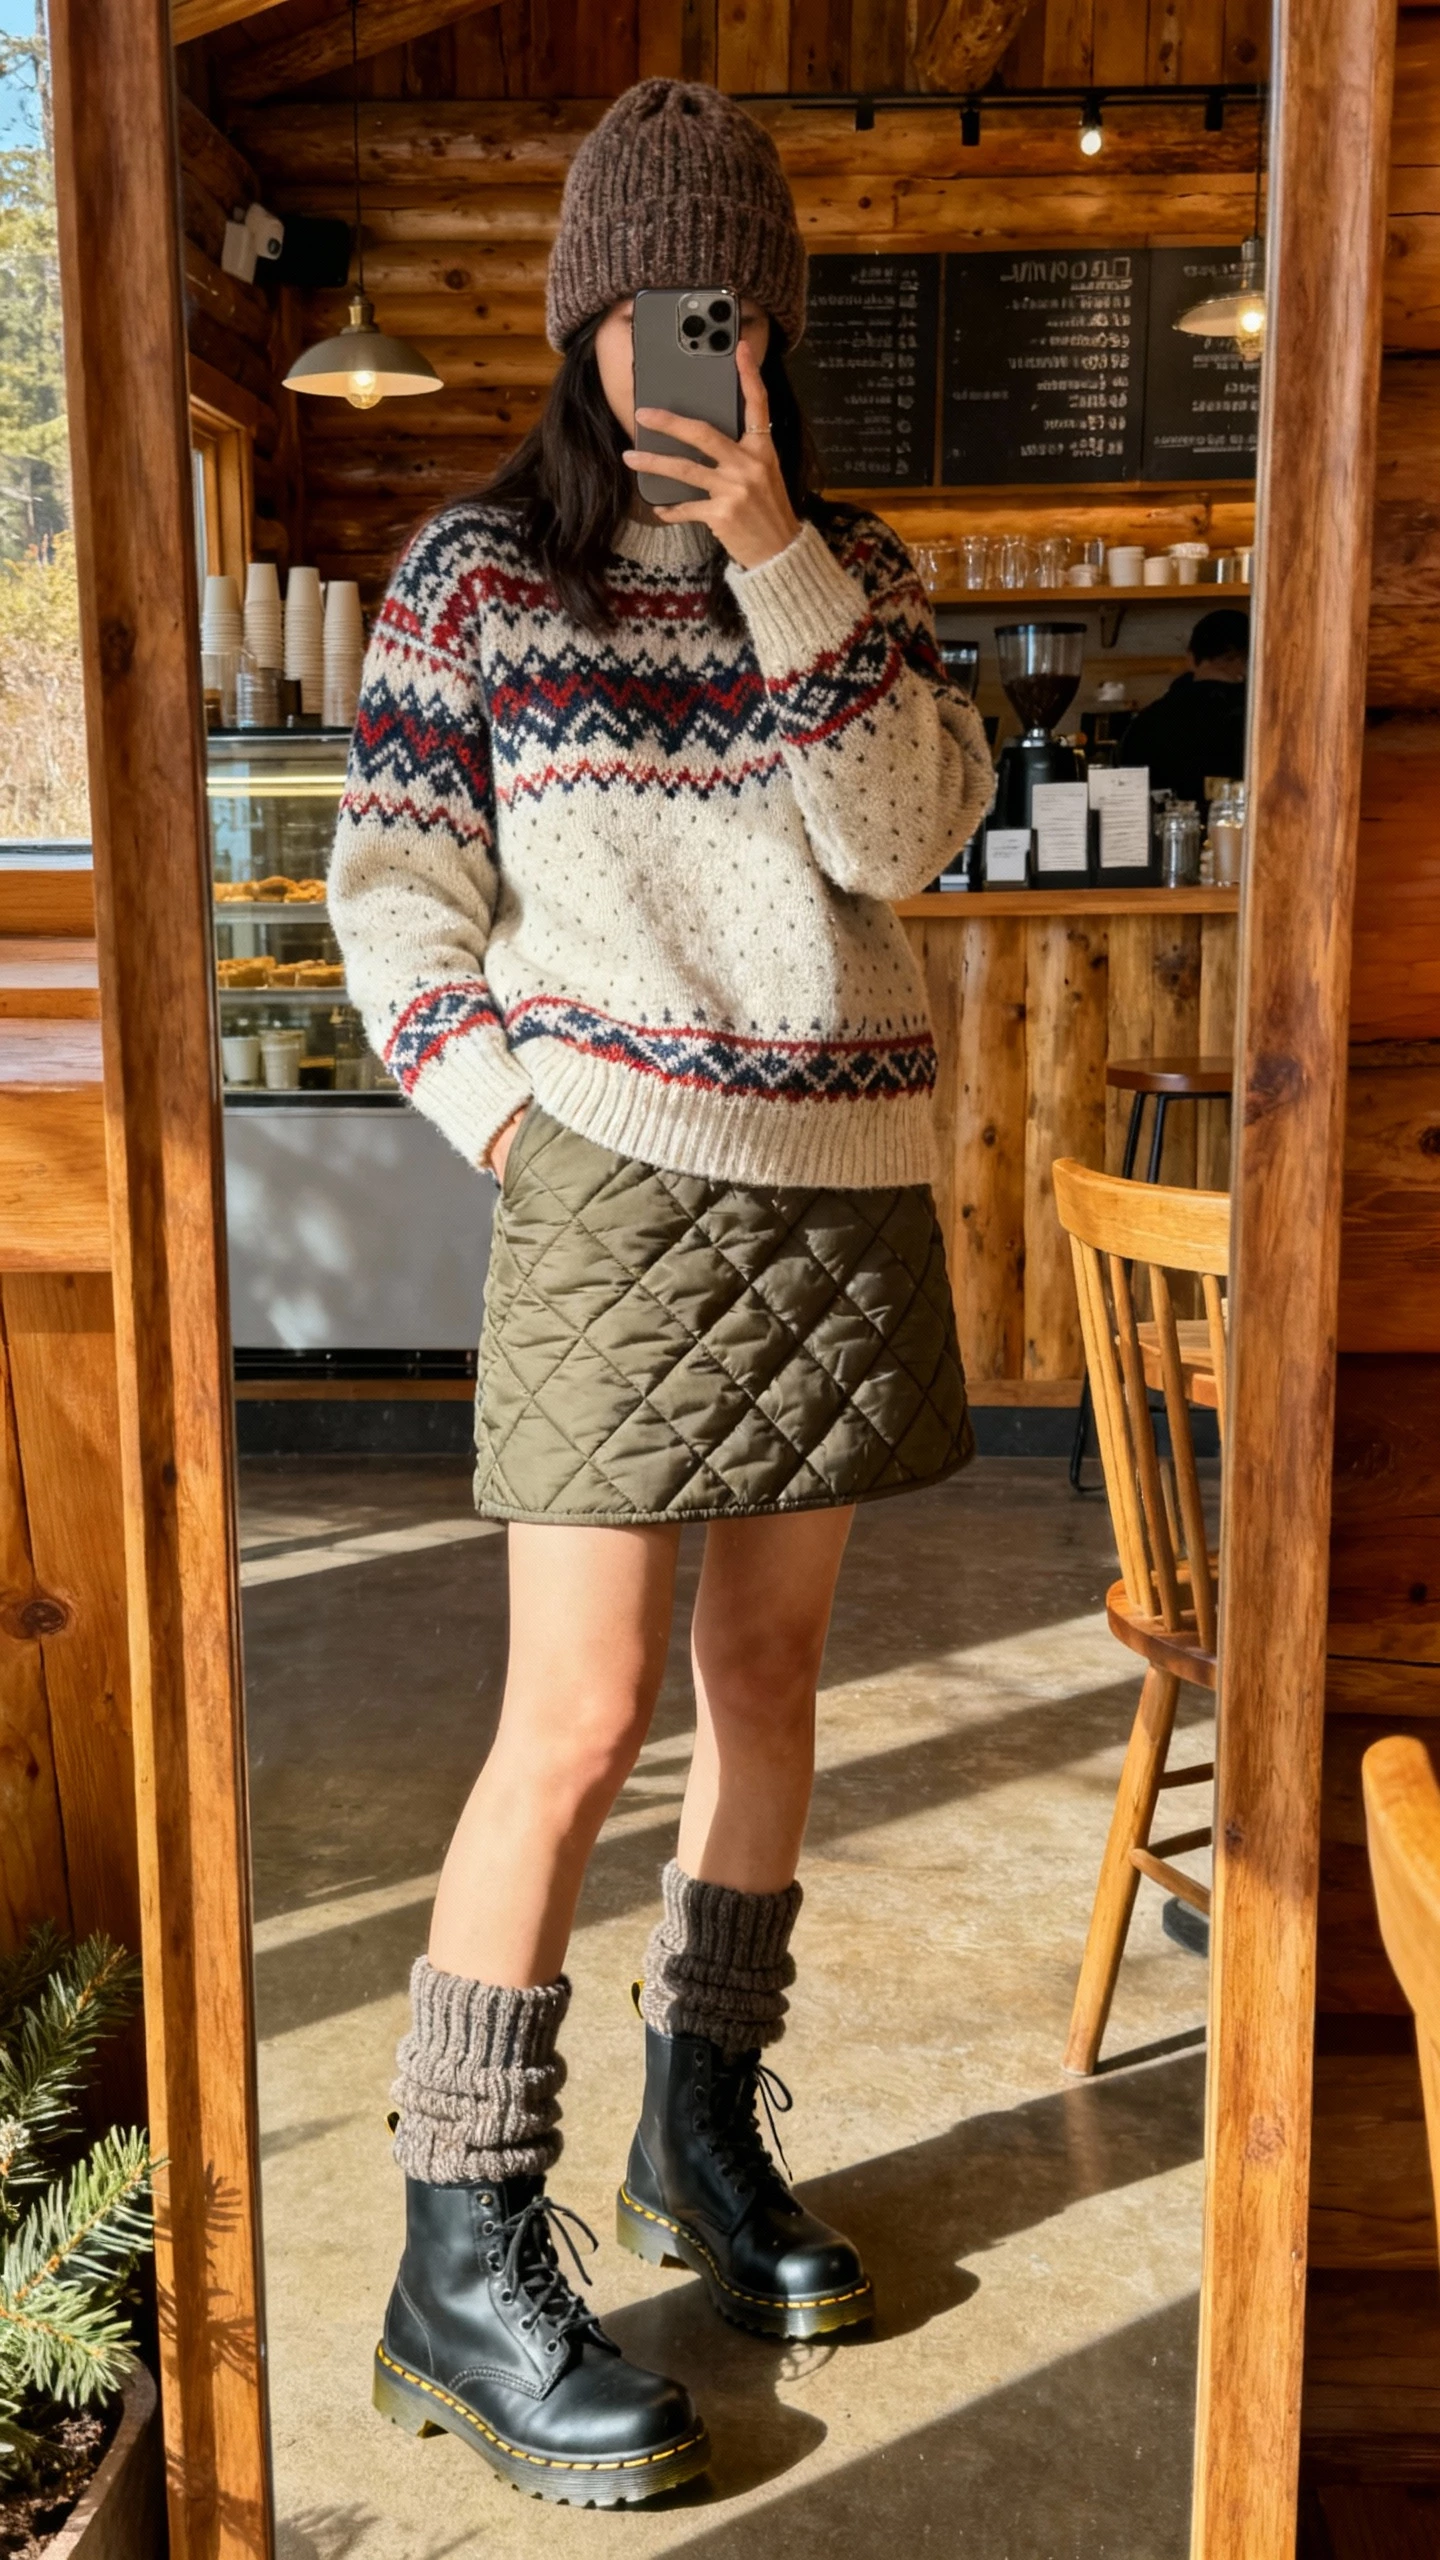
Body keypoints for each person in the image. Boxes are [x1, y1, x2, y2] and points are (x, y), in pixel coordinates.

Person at [329, 76, 991, 2509]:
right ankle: (453, 2247)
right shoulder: (472, 574)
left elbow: (895, 832)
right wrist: (518, 1120)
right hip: (613, 1188)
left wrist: (786, 559)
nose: (660, 342)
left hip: (833, 1188)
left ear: (761, 324)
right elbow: (390, 897)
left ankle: (691, 2134)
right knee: (573, 1717)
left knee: (769, 1679)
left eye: (703, 302)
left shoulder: (860, 569)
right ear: (574, 313)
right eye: (626, 299)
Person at [1117, 606, 1249, 812]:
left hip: (1162, 837)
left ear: (1191, 658)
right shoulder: (1259, 722)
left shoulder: (1145, 723)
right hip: (1238, 838)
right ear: (1248, 661)